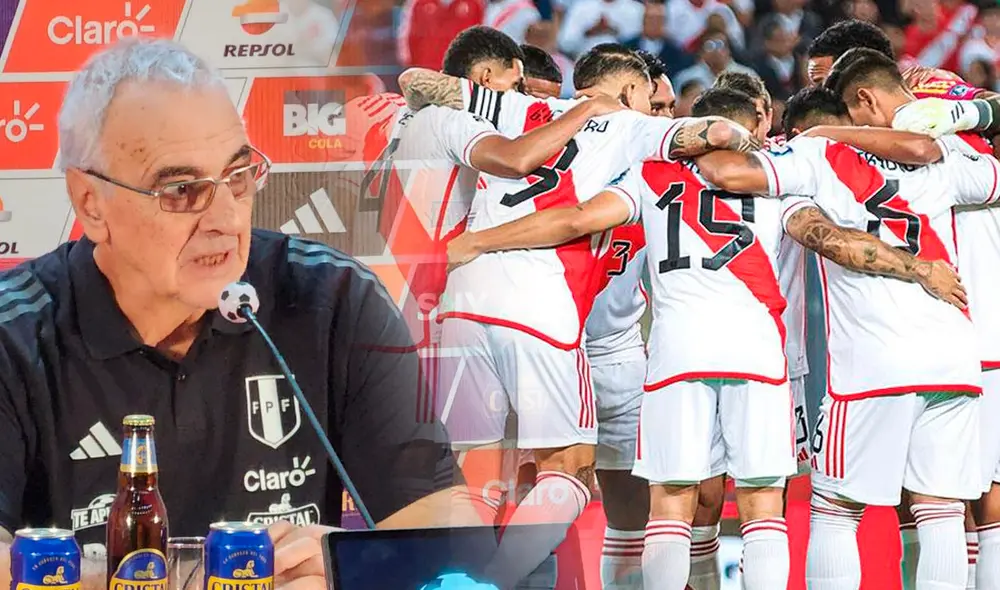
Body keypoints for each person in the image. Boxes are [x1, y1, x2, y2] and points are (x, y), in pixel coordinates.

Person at [0, 37, 476, 590]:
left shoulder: (334, 298)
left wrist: (354, 562)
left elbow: (446, 522)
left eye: (238, 175)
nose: (225, 219)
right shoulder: (15, 335)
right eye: (181, 190)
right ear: (90, 203)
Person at [398, 42, 758, 589]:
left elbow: (419, 81)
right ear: (633, 92)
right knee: (568, 471)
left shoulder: (524, 110)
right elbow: (716, 134)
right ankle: (491, 582)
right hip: (543, 306)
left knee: (476, 474)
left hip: (464, 297)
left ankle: (454, 578)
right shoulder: (631, 127)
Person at [697, 55, 1000, 588]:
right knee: (942, 510)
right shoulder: (943, 154)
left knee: (836, 508)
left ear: (855, 103)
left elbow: (723, 172)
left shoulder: (817, 152)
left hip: (873, 363)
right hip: (955, 352)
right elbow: (988, 176)